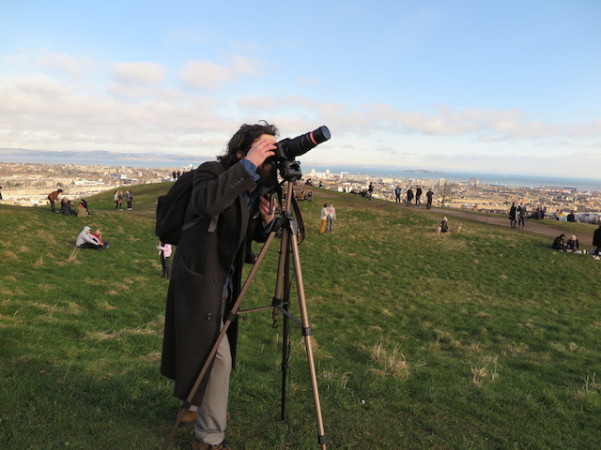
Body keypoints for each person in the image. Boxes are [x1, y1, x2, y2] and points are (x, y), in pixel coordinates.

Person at [160, 122, 278, 450]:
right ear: (241, 152)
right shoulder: (210, 172)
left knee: (206, 350)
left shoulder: (255, 186)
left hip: (223, 284)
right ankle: (209, 439)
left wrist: (265, 225)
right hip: (199, 280)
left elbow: (238, 230)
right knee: (218, 358)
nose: (270, 157)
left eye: (272, 150)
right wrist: (250, 164)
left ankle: (195, 408)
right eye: (263, 149)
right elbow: (208, 204)